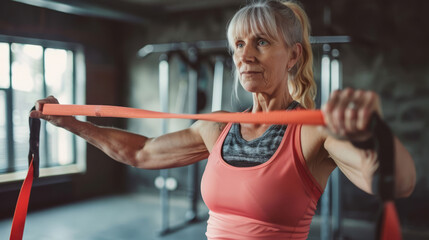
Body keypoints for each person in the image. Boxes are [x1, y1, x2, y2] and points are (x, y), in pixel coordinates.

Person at [30, 0, 416, 239]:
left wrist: (373, 135)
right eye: (238, 44)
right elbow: (143, 153)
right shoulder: (218, 125)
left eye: (261, 42)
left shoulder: (313, 131)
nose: (245, 55)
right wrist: (73, 123)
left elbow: (397, 185)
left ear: (294, 56)